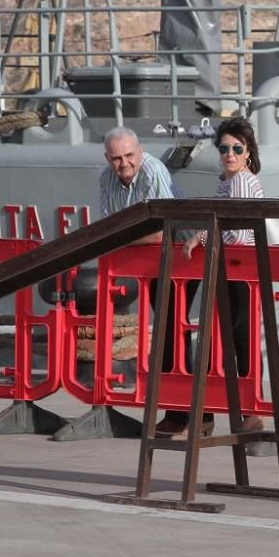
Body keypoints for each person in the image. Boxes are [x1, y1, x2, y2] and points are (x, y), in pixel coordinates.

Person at [99, 126, 203, 439]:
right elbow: (108, 227)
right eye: (116, 158)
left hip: (183, 255)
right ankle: (194, 412)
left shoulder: (153, 172)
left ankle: (180, 414)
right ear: (107, 158)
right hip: (153, 262)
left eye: (129, 155)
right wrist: (124, 236)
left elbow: (164, 230)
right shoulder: (106, 179)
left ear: (140, 152)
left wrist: (124, 237)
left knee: (173, 332)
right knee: (169, 331)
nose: (124, 163)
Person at [180, 117, 268, 434]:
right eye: (224, 148)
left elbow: (238, 236)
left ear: (248, 152)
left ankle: (243, 413)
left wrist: (203, 237)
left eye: (236, 148)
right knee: (230, 339)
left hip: (239, 271)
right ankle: (235, 413)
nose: (229, 154)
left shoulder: (242, 182)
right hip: (232, 270)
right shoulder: (228, 182)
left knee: (234, 339)